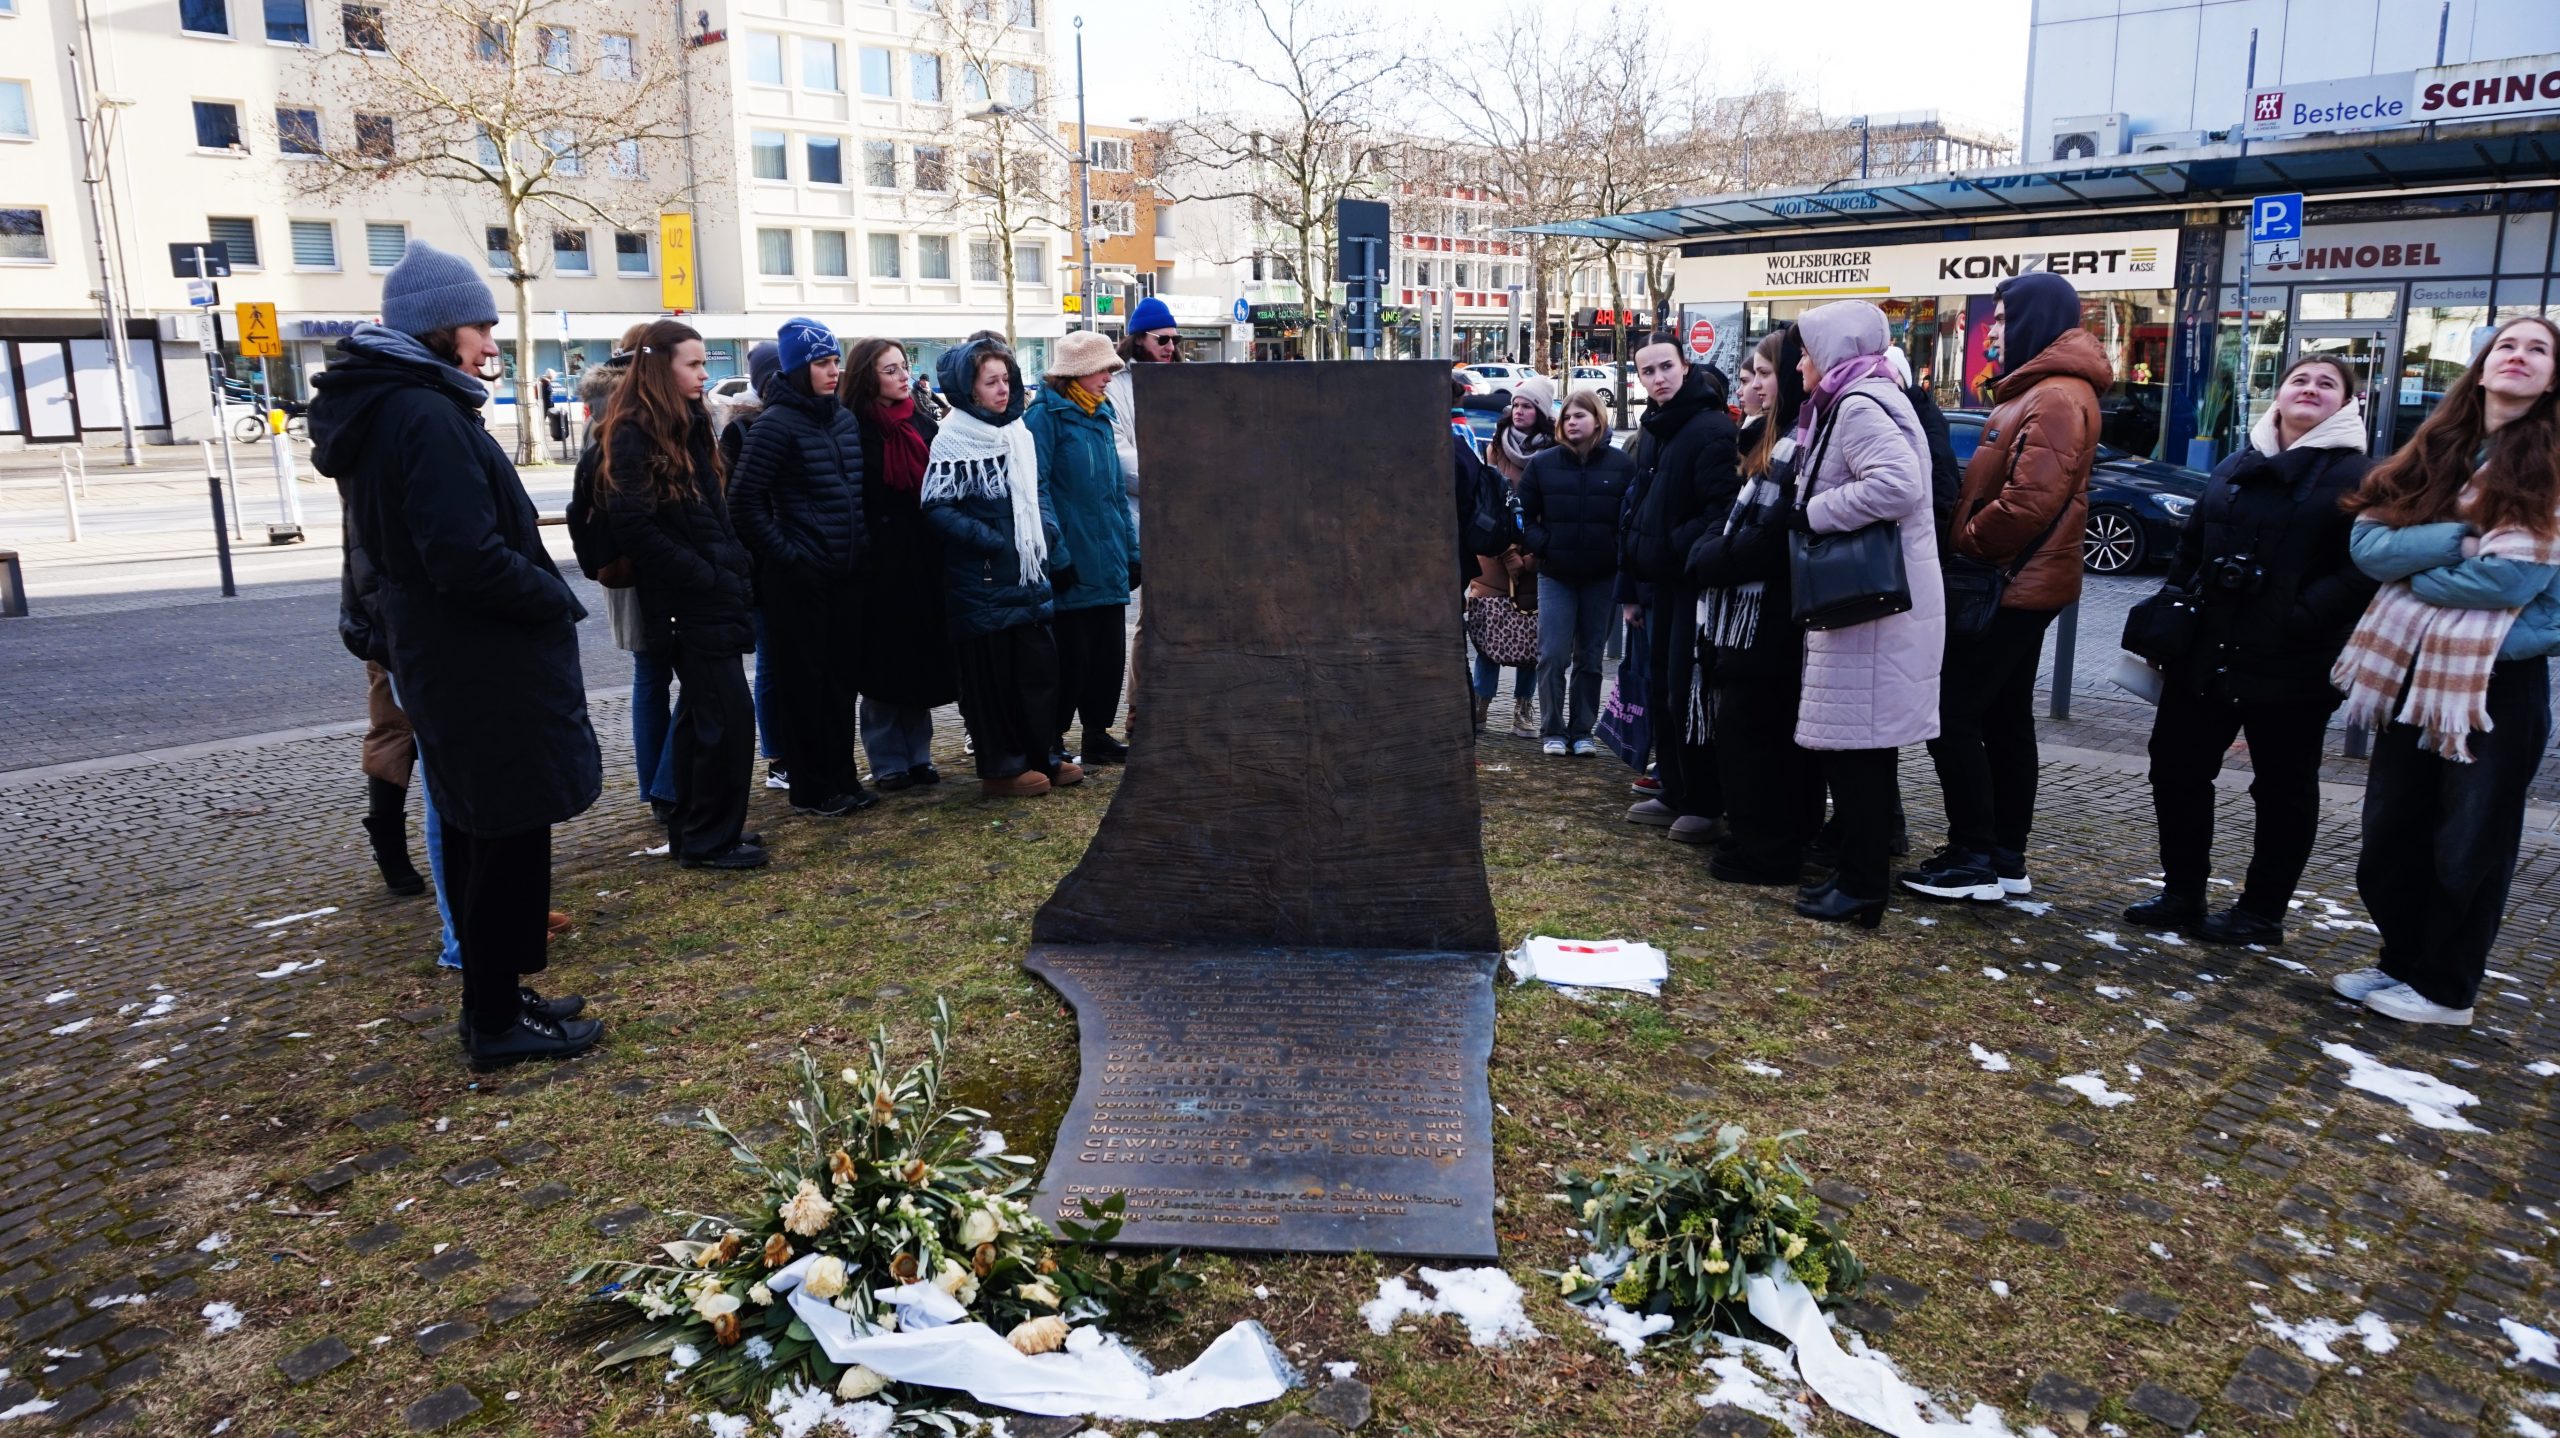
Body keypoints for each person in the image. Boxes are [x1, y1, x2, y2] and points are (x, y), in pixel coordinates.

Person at [307, 240, 601, 1064]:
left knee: (484, 832)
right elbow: (463, 555)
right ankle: (496, 1019)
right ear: (440, 329)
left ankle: (494, 998)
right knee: (501, 836)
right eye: (481, 326)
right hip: (478, 662)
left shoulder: (405, 404)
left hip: (453, 657)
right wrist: (550, 596)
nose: (489, 342)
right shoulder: (423, 413)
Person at [2329, 316, 2560, 1027]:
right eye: (2507, 345)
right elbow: (2369, 547)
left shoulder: (2551, 463)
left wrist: (2419, 575)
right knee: (2392, 828)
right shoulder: (2437, 449)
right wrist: (2461, 540)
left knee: (2470, 839)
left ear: (2554, 376)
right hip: (2413, 668)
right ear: (2482, 366)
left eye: (2540, 349)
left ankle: (2446, 987)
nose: (2519, 356)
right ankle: (2401, 960)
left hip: (2493, 681)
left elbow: (2511, 581)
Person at [2126, 355, 2374, 944]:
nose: (2310, 389)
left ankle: (2262, 913)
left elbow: (2363, 569)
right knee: (2176, 769)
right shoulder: (2238, 463)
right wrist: (2176, 609)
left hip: (2296, 658)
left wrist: (2300, 614)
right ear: (2279, 393)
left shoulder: (2363, 477)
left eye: (2326, 384)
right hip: (2206, 650)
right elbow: (2191, 548)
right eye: (2299, 379)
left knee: (2284, 788)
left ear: (2346, 403)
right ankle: (2182, 892)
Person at [1902, 272, 2104, 903]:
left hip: (2010, 583)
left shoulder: (2056, 396)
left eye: (2005, 321)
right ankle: (2002, 855)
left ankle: (1975, 855)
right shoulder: (2041, 391)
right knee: (2005, 717)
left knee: (1954, 712)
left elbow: (2028, 502)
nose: (1994, 334)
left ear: (2037, 322)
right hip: (2021, 582)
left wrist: (1965, 542)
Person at [1788, 300, 1945, 927]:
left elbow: (1898, 485)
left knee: (1859, 755)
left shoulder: (1857, 404)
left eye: (1806, 352)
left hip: (1872, 609)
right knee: (1860, 750)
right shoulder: (1864, 397)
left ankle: (1862, 888)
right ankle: (1857, 879)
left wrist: (1813, 513)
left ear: (1833, 352)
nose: (1800, 364)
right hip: (1871, 606)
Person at [601, 319, 765, 870]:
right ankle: (708, 837)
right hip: (685, 602)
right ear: (659, 367)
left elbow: (710, 509)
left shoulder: (688, 421)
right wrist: (704, 573)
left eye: (702, 363)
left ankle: (700, 828)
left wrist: (730, 562)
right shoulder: (634, 429)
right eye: (692, 364)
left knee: (704, 717)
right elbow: (635, 526)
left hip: (710, 592)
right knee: (725, 720)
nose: (703, 374)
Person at [1687, 328, 1821, 885]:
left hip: (1768, 617)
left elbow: (1768, 537)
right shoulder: (1770, 436)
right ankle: (1758, 837)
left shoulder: (1795, 442)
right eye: (1752, 376)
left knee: (1756, 732)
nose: (1756, 386)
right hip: (1750, 614)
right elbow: (1735, 520)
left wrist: (1709, 558)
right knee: (1748, 730)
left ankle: (1768, 846)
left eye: (1766, 374)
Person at [729, 317, 877, 818]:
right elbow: (744, 502)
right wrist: (789, 555)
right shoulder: (774, 424)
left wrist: (859, 551)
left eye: (835, 360)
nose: (833, 371)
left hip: (846, 574)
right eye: (821, 363)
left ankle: (842, 777)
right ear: (797, 369)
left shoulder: (842, 419)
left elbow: (852, 495)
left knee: (840, 684)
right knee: (805, 687)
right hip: (800, 580)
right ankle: (812, 788)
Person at [922, 336, 1079, 797]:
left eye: (1006, 379)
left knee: (1037, 674)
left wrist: (1046, 531)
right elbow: (936, 507)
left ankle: (1042, 756)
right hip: (983, 582)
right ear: (968, 388)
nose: (1002, 389)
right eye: (990, 382)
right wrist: (991, 540)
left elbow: (1036, 491)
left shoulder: (1018, 432)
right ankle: (1002, 768)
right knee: (992, 681)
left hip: (1027, 577)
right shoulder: (953, 438)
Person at [1621, 333, 1741, 843]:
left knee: (1686, 691)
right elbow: (1636, 508)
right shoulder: (1655, 427)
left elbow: (1721, 511)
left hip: (1691, 582)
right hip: (1658, 582)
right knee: (1661, 688)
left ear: (1685, 366)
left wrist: (1673, 545)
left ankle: (1703, 801)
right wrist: (1631, 581)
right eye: (1648, 371)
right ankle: (1674, 787)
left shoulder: (1711, 428)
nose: (1658, 378)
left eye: (1665, 367)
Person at [567, 327, 680, 825]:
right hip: (644, 562)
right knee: (670, 674)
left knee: (649, 674)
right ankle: (664, 786)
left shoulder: (604, 405)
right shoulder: (635, 409)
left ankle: (656, 785)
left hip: (622, 562)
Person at [844, 337, 956, 791]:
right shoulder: (853, 427)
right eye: (890, 370)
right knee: (881, 663)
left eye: (903, 366)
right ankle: (887, 760)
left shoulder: (922, 422)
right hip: (878, 562)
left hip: (921, 557)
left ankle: (919, 755)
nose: (903, 376)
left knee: (919, 655)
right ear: (867, 377)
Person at [1027, 331, 1140, 765]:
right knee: (1070, 657)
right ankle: (1053, 738)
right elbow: (1037, 490)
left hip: (1107, 559)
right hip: (1072, 561)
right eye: (1102, 369)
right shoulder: (1045, 417)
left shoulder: (1100, 414)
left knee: (1106, 656)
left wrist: (1131, 552)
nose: (1110, 376)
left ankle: (1096, 734)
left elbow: (1114, 492)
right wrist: (1056, 555)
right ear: (1077, 372)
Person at [1518, 392, 1635, 755]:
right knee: (1552, 654)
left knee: (1591, 656)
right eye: (1567, 416)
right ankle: (1552, 729)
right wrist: (1544, 544)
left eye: (1579, 415)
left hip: (1601, 576)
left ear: (1597, 420)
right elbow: (1522, 515)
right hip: (1556, 574)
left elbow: (1632, 517)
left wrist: (1616, 550)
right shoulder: (1543, 464)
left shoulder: (1621, 465)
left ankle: (1582, 730)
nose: (1571, 422)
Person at [712, 341, 790, 793]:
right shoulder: (741, 431)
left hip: (793, 562)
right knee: (772, 662)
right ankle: (778, 756)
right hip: (763, 566)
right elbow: (739, 504)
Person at [1471, 375, 1554, 735]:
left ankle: (1523, 708)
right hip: (1493, 556)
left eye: (1528, 406)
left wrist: (1532, 556)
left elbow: (1552, 512)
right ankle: (1481, 705)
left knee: (1531, 637)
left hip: (1535, 556)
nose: (1519, 411)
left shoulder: (1554, 453)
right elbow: (1485, 507)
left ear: (1541, 412)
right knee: (1489, 634)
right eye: (1516, 405)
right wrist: (1505, 552)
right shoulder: (1495, 449)